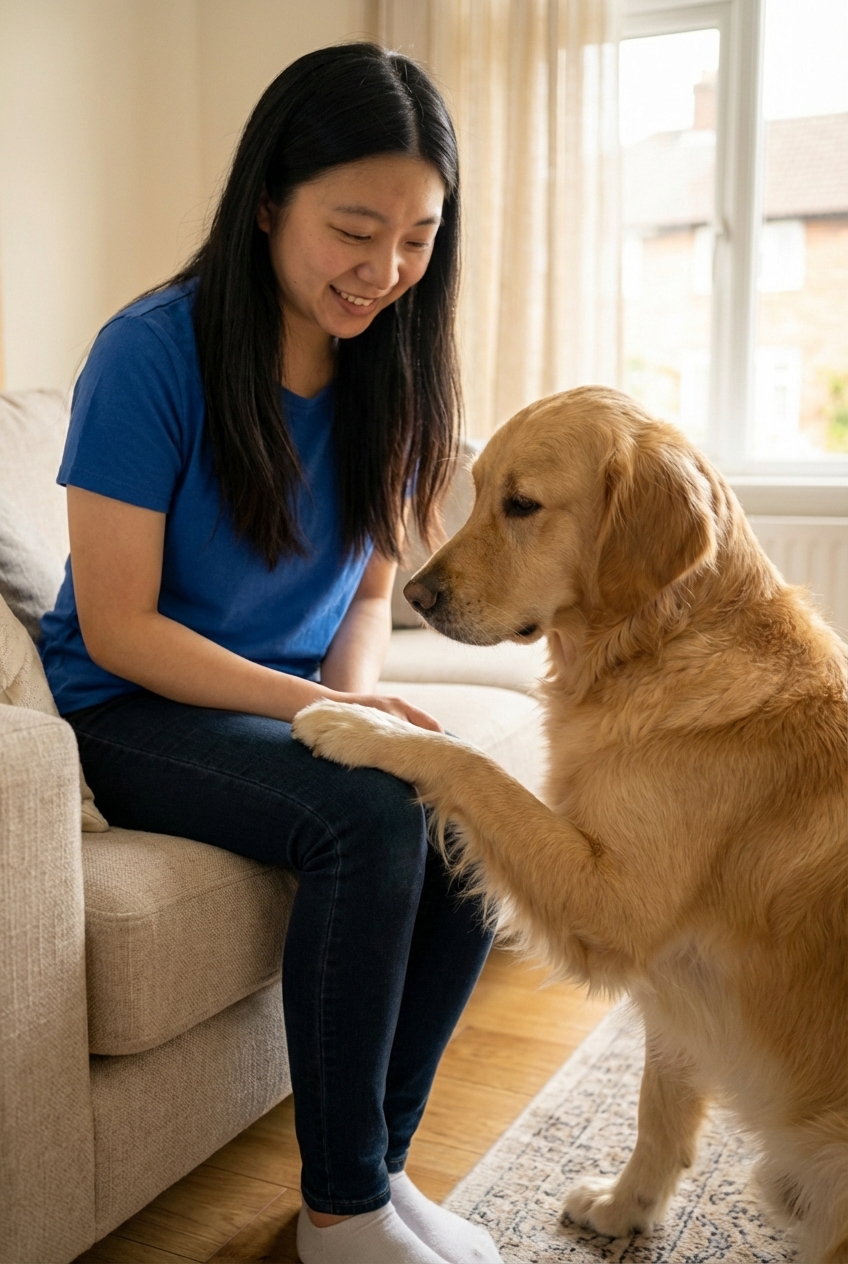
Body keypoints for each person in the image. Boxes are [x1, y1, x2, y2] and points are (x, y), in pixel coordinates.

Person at [39, 42, 502, 1264]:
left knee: (459, 810)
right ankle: (337, 1210)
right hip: (127, 703)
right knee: (370, 816)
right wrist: (323, 719)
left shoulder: (389, 367)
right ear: (265, 202)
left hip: (274, 705)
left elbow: (367, 580)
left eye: (416, 238)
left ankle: (379, 1173)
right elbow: (118, 626)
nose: (386, 269)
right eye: (355, 229)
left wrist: (354, 708)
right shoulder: (149, 354)